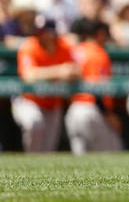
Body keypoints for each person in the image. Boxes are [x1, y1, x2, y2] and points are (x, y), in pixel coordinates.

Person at [12, 15, 81, 152]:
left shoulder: (63, 46)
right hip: (28, 100)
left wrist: (53, 74)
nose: (41, 35)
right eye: (39, 32)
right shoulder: (30, 46)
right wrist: (58, 72)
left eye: (44, 32)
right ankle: (29, 166)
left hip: (52, 103)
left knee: (48, 149)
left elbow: (76, 71)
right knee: (35, 124)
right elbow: (29, 75)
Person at [64, 19, 124, 155]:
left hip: (73, 111)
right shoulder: (98, 53)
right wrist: (108, 115)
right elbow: (96, 89)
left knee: (81, 165)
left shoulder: (74, 51)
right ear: (100, 34)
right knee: (114, 155)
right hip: (92, 110)